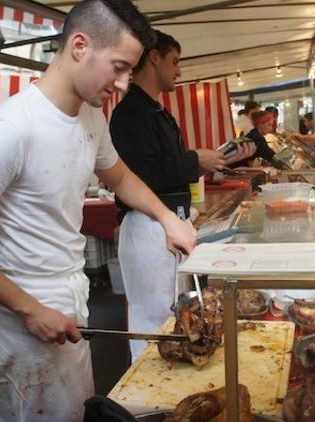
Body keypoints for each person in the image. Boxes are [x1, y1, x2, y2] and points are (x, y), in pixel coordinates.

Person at [0, 2, 197, 420]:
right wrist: (28, 308)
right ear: (78, 45)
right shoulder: (11, 129)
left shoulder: (91, 115)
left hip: (69, 302)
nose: (125, 84)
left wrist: (167, 219)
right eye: (119, 67)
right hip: (19, 321)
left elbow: (121, 176)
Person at [110, 30, 254, 360]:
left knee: (176, 313)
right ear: (154, 57)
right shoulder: (130, 113)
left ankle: (172, 377)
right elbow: (139, 176)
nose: (178, 71)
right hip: (147, 227)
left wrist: (207, 163)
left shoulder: (159, 113)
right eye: (174, 62)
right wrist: (194, 160)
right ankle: (147, 398)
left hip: (170, 222)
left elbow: (166, 169)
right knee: (153, 318)